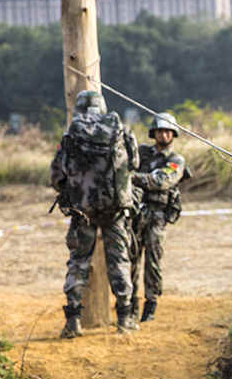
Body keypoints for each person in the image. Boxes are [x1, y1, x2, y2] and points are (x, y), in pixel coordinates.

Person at [50, 89, 140, 338]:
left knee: (78, 262)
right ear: (102, 107)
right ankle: (124, 319)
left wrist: (73, 190)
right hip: (115, 209)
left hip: (83, 209)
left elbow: (57, 174)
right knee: (120, 262)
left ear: (79, 109)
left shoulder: (72, 134)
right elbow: (134, 165)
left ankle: (73, 322)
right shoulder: (121, 130)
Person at [129, 112, 189, 323]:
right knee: (131, 259)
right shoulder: (142, 154)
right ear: (153, 133)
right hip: (137, 213)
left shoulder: (175, 160)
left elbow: (162, 181)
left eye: (167, 131)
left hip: (158, 215)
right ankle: (130, 303)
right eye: (159, 131)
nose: (163, 135)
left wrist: (132, 178)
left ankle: (151, 303)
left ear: (173, 134)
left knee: (153, 261)